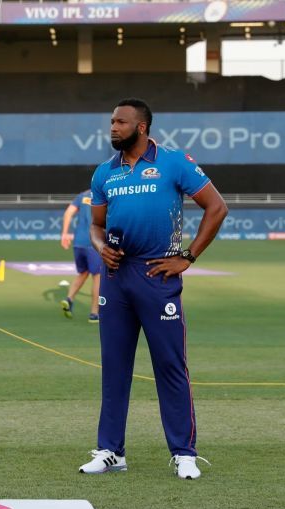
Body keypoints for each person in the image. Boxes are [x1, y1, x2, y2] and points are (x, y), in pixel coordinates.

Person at [80, 98, 227, 480]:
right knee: (114, 368)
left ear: (141, 127)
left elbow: (217, 207)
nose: (113, 127)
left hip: (159, 275)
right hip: (117, 278)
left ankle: (184, 453)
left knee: (170, 367)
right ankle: (111, 450)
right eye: (111, 121)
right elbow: (95, 227)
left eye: (120, 122)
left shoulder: (174, 162)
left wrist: (188, 257)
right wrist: (100, 248)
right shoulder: (104, 173)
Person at [60, 190, 102, 323]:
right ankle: (94, 313)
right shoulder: (104, 194)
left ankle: (69, 299)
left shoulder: (82, 196)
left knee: (83, 272)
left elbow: (68, 213)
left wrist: (64, 234)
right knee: (97, 276)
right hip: (94, 241)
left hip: (79, 242)